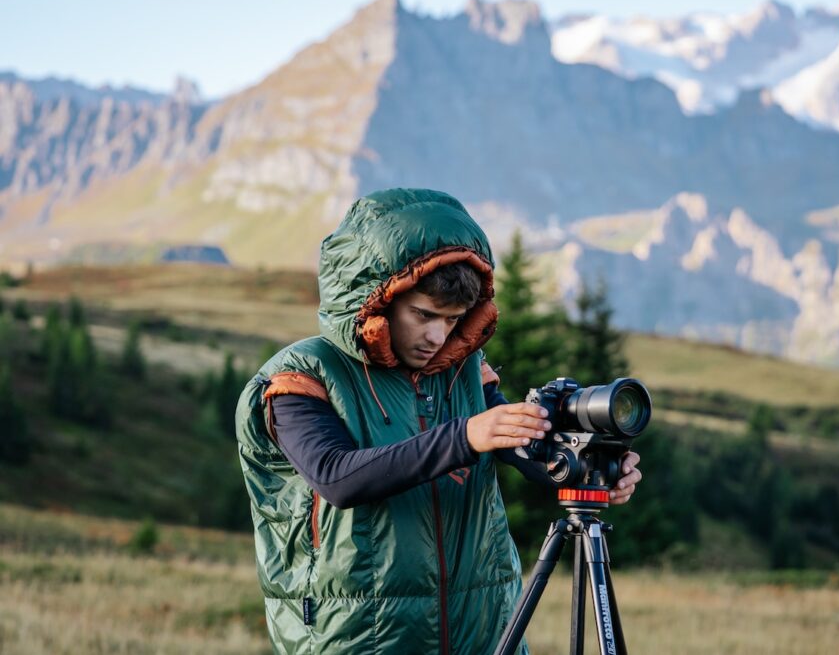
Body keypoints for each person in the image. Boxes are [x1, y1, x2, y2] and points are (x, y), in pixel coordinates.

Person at [235, 188, 642, 654]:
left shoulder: (464, 371)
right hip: (359, 636)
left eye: (452, 320)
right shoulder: (301, 378)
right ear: (376, 301)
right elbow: (336, 478)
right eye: (423, 315)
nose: (436, 336)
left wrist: (587, 471)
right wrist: (466, 436)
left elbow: (520, 446)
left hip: (482, 630)